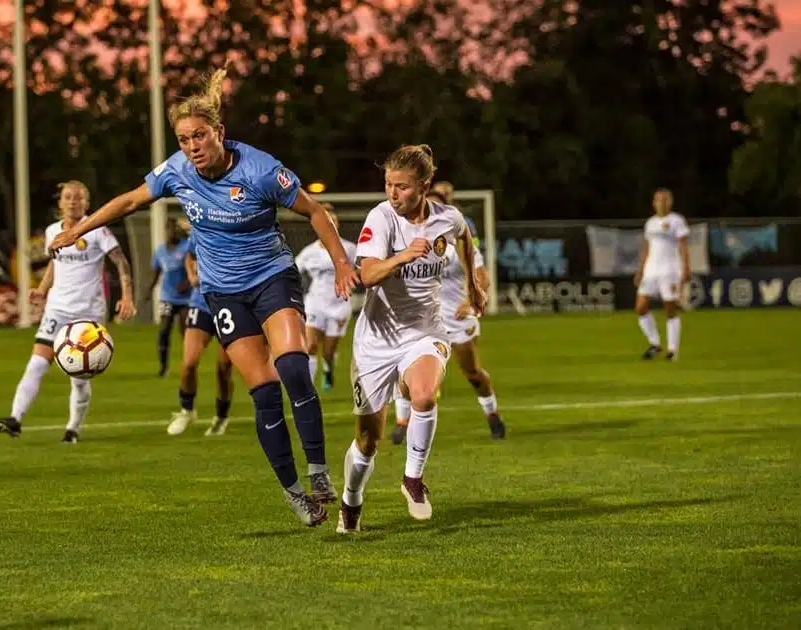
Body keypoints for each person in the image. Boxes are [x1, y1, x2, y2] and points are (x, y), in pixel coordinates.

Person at [49, 65, 359, 527]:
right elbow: (131, 200)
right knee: (264, 393)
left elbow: (313, 211)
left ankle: (318, 470)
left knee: (294, 365)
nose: (192, 147)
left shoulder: (260, 170)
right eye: (183, 139)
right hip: (223, 295)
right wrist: (79, 228)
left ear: (219, 132)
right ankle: (295, 493)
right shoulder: (176, 172)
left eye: (199, 136)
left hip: (272, 276)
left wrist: (341, 263)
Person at [337, 145, 485, 534]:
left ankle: (413, 480)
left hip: (425, 331)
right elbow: (367, 275)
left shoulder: (446, 218)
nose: (392, 193)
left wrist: (473, 286)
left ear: (424, 185)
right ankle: (351, 501)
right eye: (388, 184)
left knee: (423, 394)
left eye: (401, 186)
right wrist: (401, 256)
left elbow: (465, 237)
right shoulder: (381, 218)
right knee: (368, 442)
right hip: (376, 341)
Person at [0, 181, 138, 443]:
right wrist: (41, 289)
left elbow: (121, 261)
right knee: (37, 363)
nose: (73, 201)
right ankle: (15, 418)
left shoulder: (97, 230)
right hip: (57, 308)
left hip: (87, 315)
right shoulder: (52, 232)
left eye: (79, 197)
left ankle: (73, 428)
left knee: (79, 377)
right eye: (68, 197)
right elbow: (55, 262)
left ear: (87, 203)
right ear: (60, 203)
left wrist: (127, 296)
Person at [390, 181, 506, 444]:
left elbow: (481, 276)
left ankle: (493, 415)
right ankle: (402, 423)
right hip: (421, 319)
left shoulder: (460, 243)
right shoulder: (409, 242)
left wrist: (470, 299)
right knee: (404, 372)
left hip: (456, 317)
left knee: (473, 373)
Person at [166, 233, 234, 437]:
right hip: (201, 303)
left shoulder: (241, 228)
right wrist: (191, 276)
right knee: (189, 362)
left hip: (231, 306)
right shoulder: (203, 226)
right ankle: (187, 410)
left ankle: (221, 417)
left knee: (224, 367)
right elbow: (190, 254)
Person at [294, 203, 358, 392]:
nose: (331, 224)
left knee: (328, 352)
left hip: (339, 305)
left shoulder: (350, 249)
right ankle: (308, 389)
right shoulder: (309, 252)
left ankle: (328, 368)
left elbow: (363, 271)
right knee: (310, 345)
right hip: (315, 304)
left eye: (334, 221)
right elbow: (293, 273)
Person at [634, 188, 690, 361]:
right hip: (651, 270)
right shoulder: (650, 223)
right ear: (653, 203)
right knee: (641, 307)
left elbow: (683, 246)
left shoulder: (677, 221)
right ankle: (655, 344)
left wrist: (686, 267)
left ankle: (672, 350)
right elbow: (646, 248)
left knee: (670, 309)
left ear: (670, 202)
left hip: (669, 270)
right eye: (658, 200)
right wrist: (641, 270)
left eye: (665, 200)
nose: (661, 203)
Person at [146, 217, 193, 377]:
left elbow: (196, 268)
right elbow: (156, 274)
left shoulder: (186, 247)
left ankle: (188, 364)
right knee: (164, 330)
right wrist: (147, 292)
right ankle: (163, 367)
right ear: (165, 231)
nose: (171, 232)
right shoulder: (160, 251)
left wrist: (187, 282)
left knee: (185, 331)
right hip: (167, 297)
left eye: (174, 229)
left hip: (186, 298)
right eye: (169, 229)